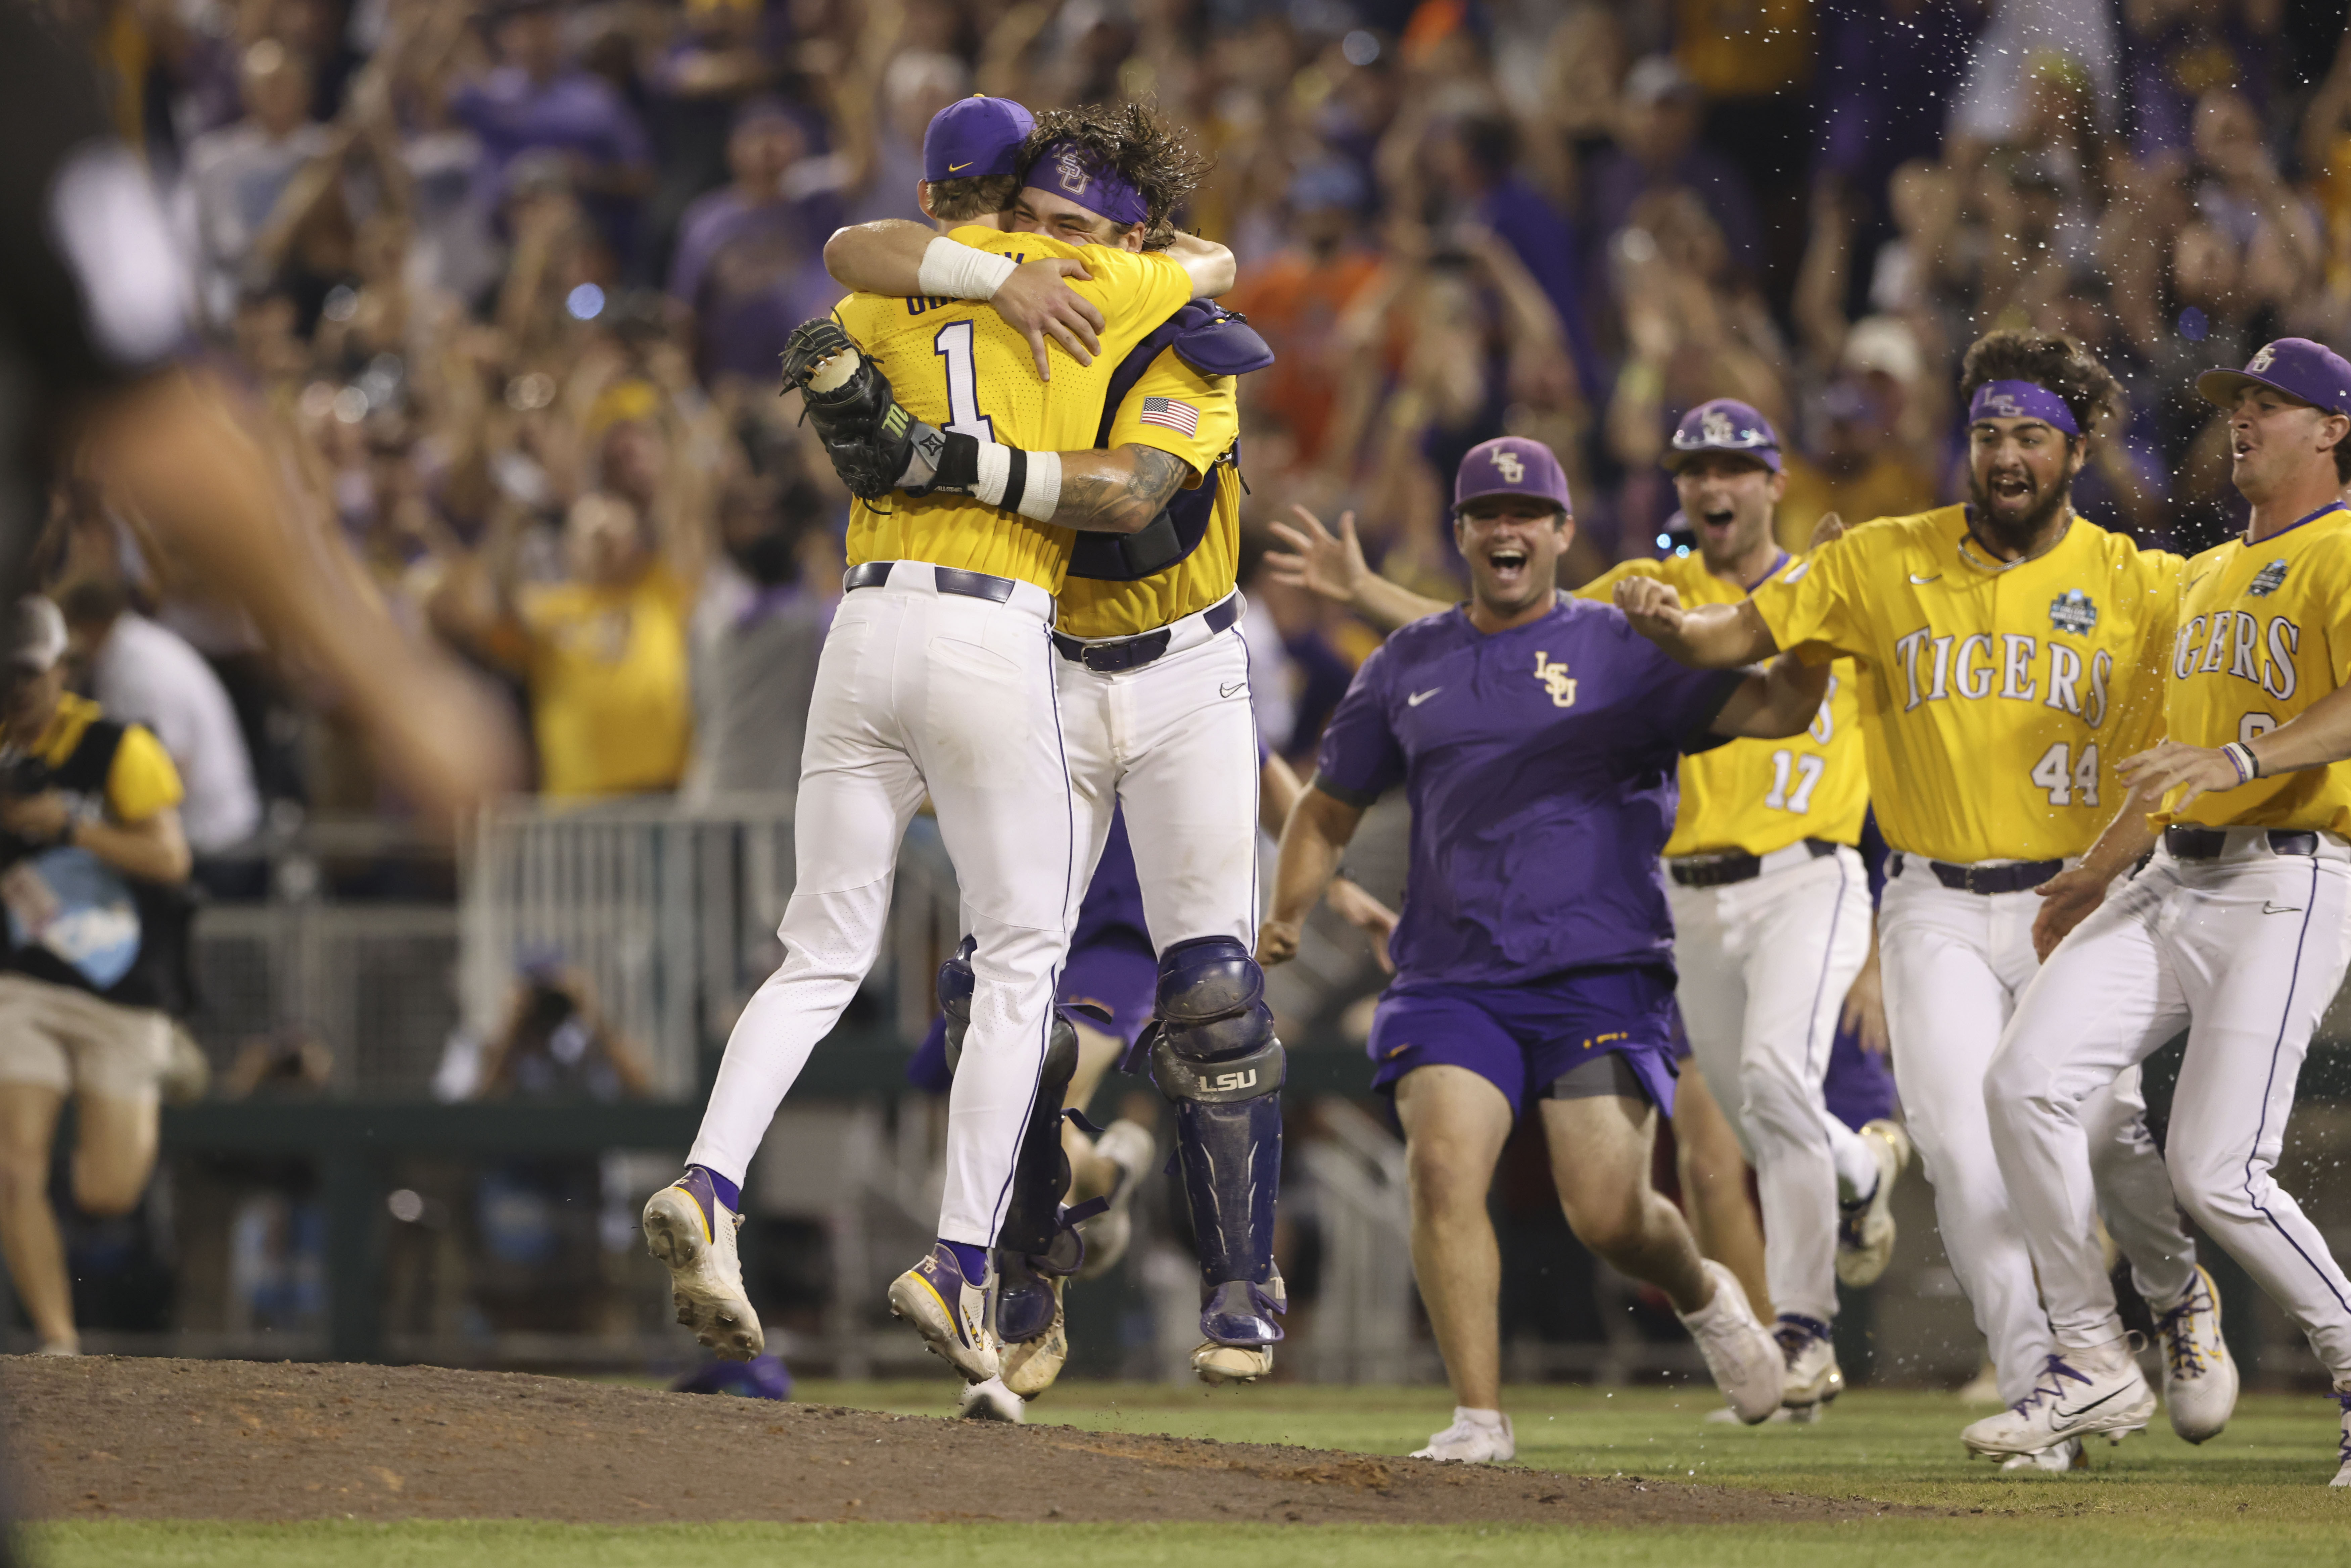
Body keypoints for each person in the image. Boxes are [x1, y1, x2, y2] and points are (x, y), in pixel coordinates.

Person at [638, 94, 1197, 1417]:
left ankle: (708, 1183)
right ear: (1014, 193)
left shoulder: (882, 297)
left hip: (863, 627)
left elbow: (851, 247)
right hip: (989, 628)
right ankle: (957, 1259)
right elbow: (1206, 272)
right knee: (1018, 961)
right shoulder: (1076, 281)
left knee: (819, 949)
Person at [1612, 330, 2234, 1471]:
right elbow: (1739, 631)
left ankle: (2174, 1288)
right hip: (1933, 900)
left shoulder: (2136, 581)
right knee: (1956, 1144)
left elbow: (2245, 641)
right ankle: (2055, 1379)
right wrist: (1675, 629)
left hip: (2080, 895)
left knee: (2099, 1131)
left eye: (2030, 436)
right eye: (1988, 432)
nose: (2005, 455)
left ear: (2075, 451)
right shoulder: (1879, 558)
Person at [1270, 400, 1909, 1418]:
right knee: (1497, 1166)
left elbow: (1805, 711)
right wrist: (1291, 909)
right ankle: (1483, 1420)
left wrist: (1820, 622)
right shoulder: (1566, 624)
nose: (1507, 528)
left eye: (1735, 465)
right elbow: (1455, 670)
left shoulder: (1690, 618)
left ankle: (1764, 1302)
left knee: (1669, 1164)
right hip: (1541, 943)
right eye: (1486, 512)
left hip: (1699, 920)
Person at [822, 97, 1292, 1398]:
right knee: (994, 996)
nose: (1047, 247)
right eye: (1029, 221)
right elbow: (855, 251)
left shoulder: (1181, 330)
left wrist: (944, 462)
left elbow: (1129, 495)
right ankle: (1029, 1270)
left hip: (1187, 668)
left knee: (1210, 993)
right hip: (1048, 668)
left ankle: (1243, 1286)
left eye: (1074, 228)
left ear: (1133, 238)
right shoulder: (1013, 305)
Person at [1972, 338, 2351, 1480]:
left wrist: (2239, 754)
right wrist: (2096, 867)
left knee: (2218, 1170)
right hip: (2171, 878)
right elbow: (2167, 767)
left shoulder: (2342, 545)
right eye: (2237, 402)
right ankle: (2089, 1355)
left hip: (2291, 880)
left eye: (2273, 406)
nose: (2243, 419)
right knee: (2021, 1079)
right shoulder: (2203, 574)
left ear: (2333, 430)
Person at [0, 597, 190, 1356]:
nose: (14, 691)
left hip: (121, 984)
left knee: (105, 1191)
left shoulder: (117, 747)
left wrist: (71, 825)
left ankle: (166, 1052)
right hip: (22, 983)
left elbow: (172, 860)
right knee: (15, 1163)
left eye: (26, 673)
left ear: (63, 671)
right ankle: (57, 1343)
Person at [58, 577, 261, 876]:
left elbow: (174, 766)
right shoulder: (129, 649)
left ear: (87, 626)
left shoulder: (140, 670)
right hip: (203, 833)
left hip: (214, 843)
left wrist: (105, 831)